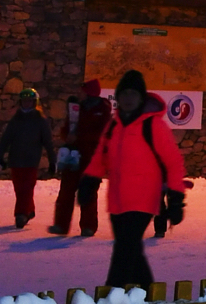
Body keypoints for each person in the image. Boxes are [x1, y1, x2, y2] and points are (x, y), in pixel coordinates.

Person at [82, 70, 186, 289]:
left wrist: (176, 199)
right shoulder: (113, 126)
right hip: (118, 201)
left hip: (143, 200)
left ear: (141, 98)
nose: (128, 98)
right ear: (118, 97)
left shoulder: (153, 126)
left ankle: (112, 296)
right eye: (125, 94)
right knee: (131, 250)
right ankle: (149, 294)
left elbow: (174, 162)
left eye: (133, 94)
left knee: (123, 250)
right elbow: (100, 157)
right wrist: (89, 182)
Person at [48, 78, 109, 238]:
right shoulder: (76, 109)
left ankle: (88, 226)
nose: (78, 93)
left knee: (88, 192)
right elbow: (68, 127)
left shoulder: (102, 110)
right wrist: (66, 136)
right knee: (66, 192)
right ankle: (61, 225)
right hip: (73, 156)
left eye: (82, 91)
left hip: (91, 157)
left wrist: (79, 137)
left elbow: (102, 134)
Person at [2, 87, 56, 229]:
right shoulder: (16, 120)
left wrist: (52, 160)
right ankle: (29, 209)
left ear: (34, 102)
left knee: (27, 188)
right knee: (19, 188)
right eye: (24, 101)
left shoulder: (40, 120)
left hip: (31, 160)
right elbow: (6, 139)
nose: (27, 104)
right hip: (16, 159)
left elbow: (48, 142)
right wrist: (0, 155)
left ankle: (21, 214)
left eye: (29, 101)